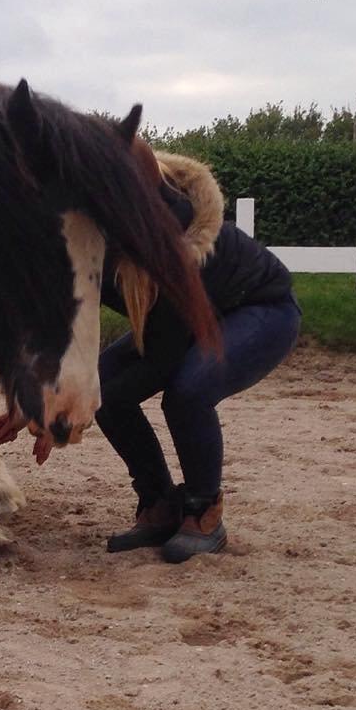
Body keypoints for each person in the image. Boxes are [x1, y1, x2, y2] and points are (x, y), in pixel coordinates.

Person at [92, 137, 301, 562]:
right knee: (101, 387)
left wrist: (79, 404)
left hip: (259, 308)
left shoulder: (169, 234)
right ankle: (159, 502)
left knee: (188, 391)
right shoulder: (92, 229)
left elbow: (163, 357)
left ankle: (204, 511)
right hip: (185, 319)